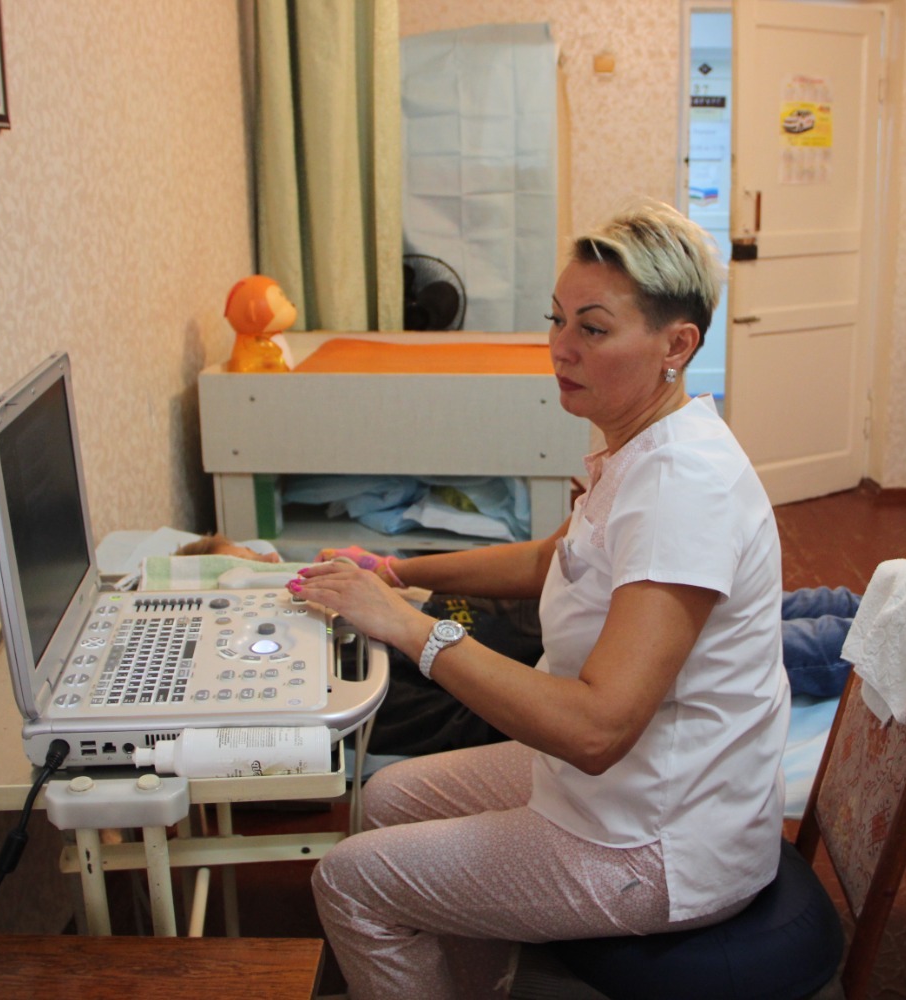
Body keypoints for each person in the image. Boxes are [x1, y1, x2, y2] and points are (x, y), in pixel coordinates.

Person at [290, 200, 786, 998]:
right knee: (386, 798)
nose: (560, 347)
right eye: (557, 320)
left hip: (661, 837)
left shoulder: (683, 487)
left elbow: (595, 731)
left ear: (677, 345)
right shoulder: (641, 447)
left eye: (593, 329)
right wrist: (398, 570)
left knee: (350, 881)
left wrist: (411, 628)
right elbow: (550, 558)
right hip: (628, 785)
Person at [184, 535, 906, 755]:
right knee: (837, 645)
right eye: (257, 569)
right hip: (590, 677)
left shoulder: (358, 596)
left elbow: (541, 566)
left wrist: (400, 570)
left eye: (267, 560)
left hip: (604, 622)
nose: (285, 573)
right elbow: (484, 691)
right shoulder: (354, 673)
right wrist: (402, 619)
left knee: (830, 598)